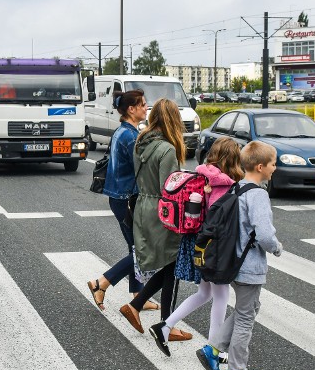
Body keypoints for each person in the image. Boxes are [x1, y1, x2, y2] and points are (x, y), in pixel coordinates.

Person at [196, 140, 282, 370]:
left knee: (249, 308)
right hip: (249, 265)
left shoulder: (237, 188)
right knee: (246, 316)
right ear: (260, 166)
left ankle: (212, 350)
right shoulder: (258, 195)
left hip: (232, 261)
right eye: (273, 164)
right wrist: (276, 247)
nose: (275, 168)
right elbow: (264, 235)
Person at [149, 137, 244, 356]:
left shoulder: (201, 176)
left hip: (197, 242)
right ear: (232, 160)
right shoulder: (224, 186)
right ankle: (214, 348)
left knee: (205, 293)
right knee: (220, 296)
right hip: (213, 246)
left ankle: (165, 326)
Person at [118, 98, 191, 341]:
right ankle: (166, 325)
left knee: (170, 264)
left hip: (143, 207)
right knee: (173, 263)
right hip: (163, 210)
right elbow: (169, 188)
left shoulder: (142, 141)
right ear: (174, 120)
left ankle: (136, 306)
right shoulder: (167, 148)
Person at [86, 89, 158, 312]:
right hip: (128, 199)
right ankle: (102, 283)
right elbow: (144, 167)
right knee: (142, 251)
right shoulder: (129, 136)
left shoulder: (124, 131)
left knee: (135, 248)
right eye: (143, 104)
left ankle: (139, 295)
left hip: (120, 197)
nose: (146, 108)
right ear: (131, 109)